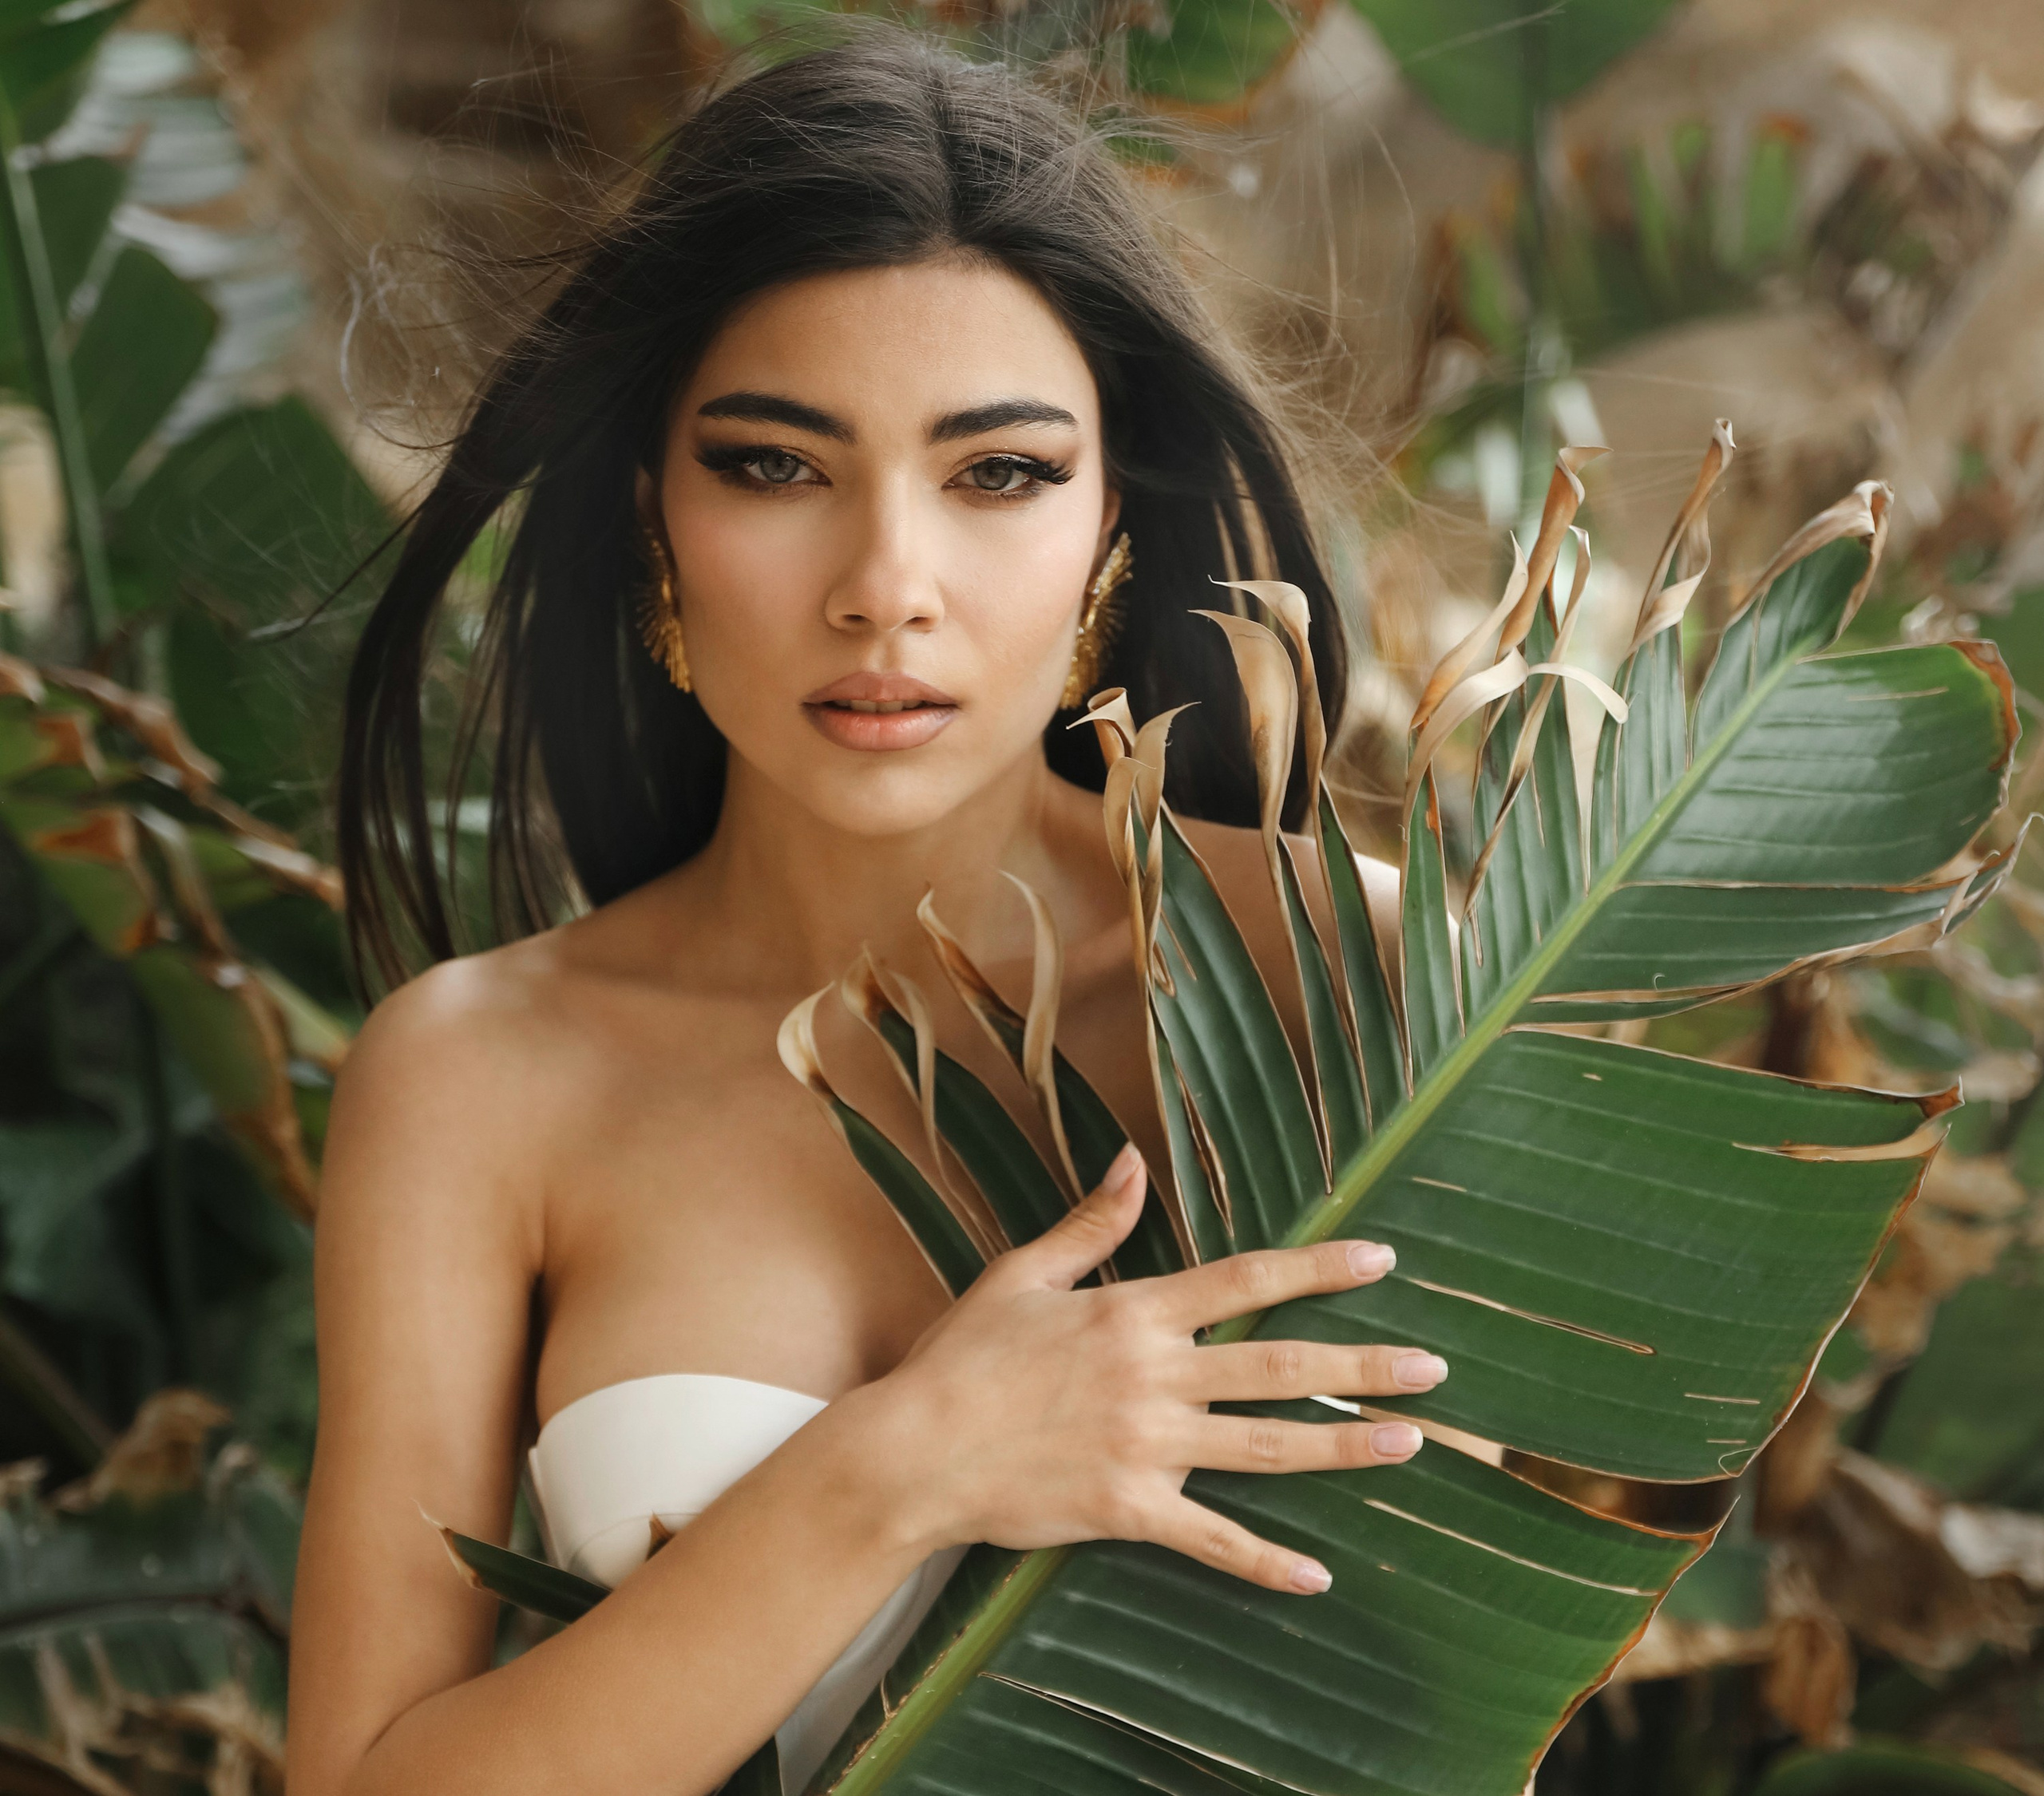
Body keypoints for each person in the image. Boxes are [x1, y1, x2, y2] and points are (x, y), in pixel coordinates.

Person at [287, 32, 1445, 1796]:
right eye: (773, 465)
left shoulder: (1351, 973)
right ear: (650, 517)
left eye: (996, 474)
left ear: (1110, 528)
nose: (884, 590)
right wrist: (900, 1469)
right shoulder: (478, 1078)